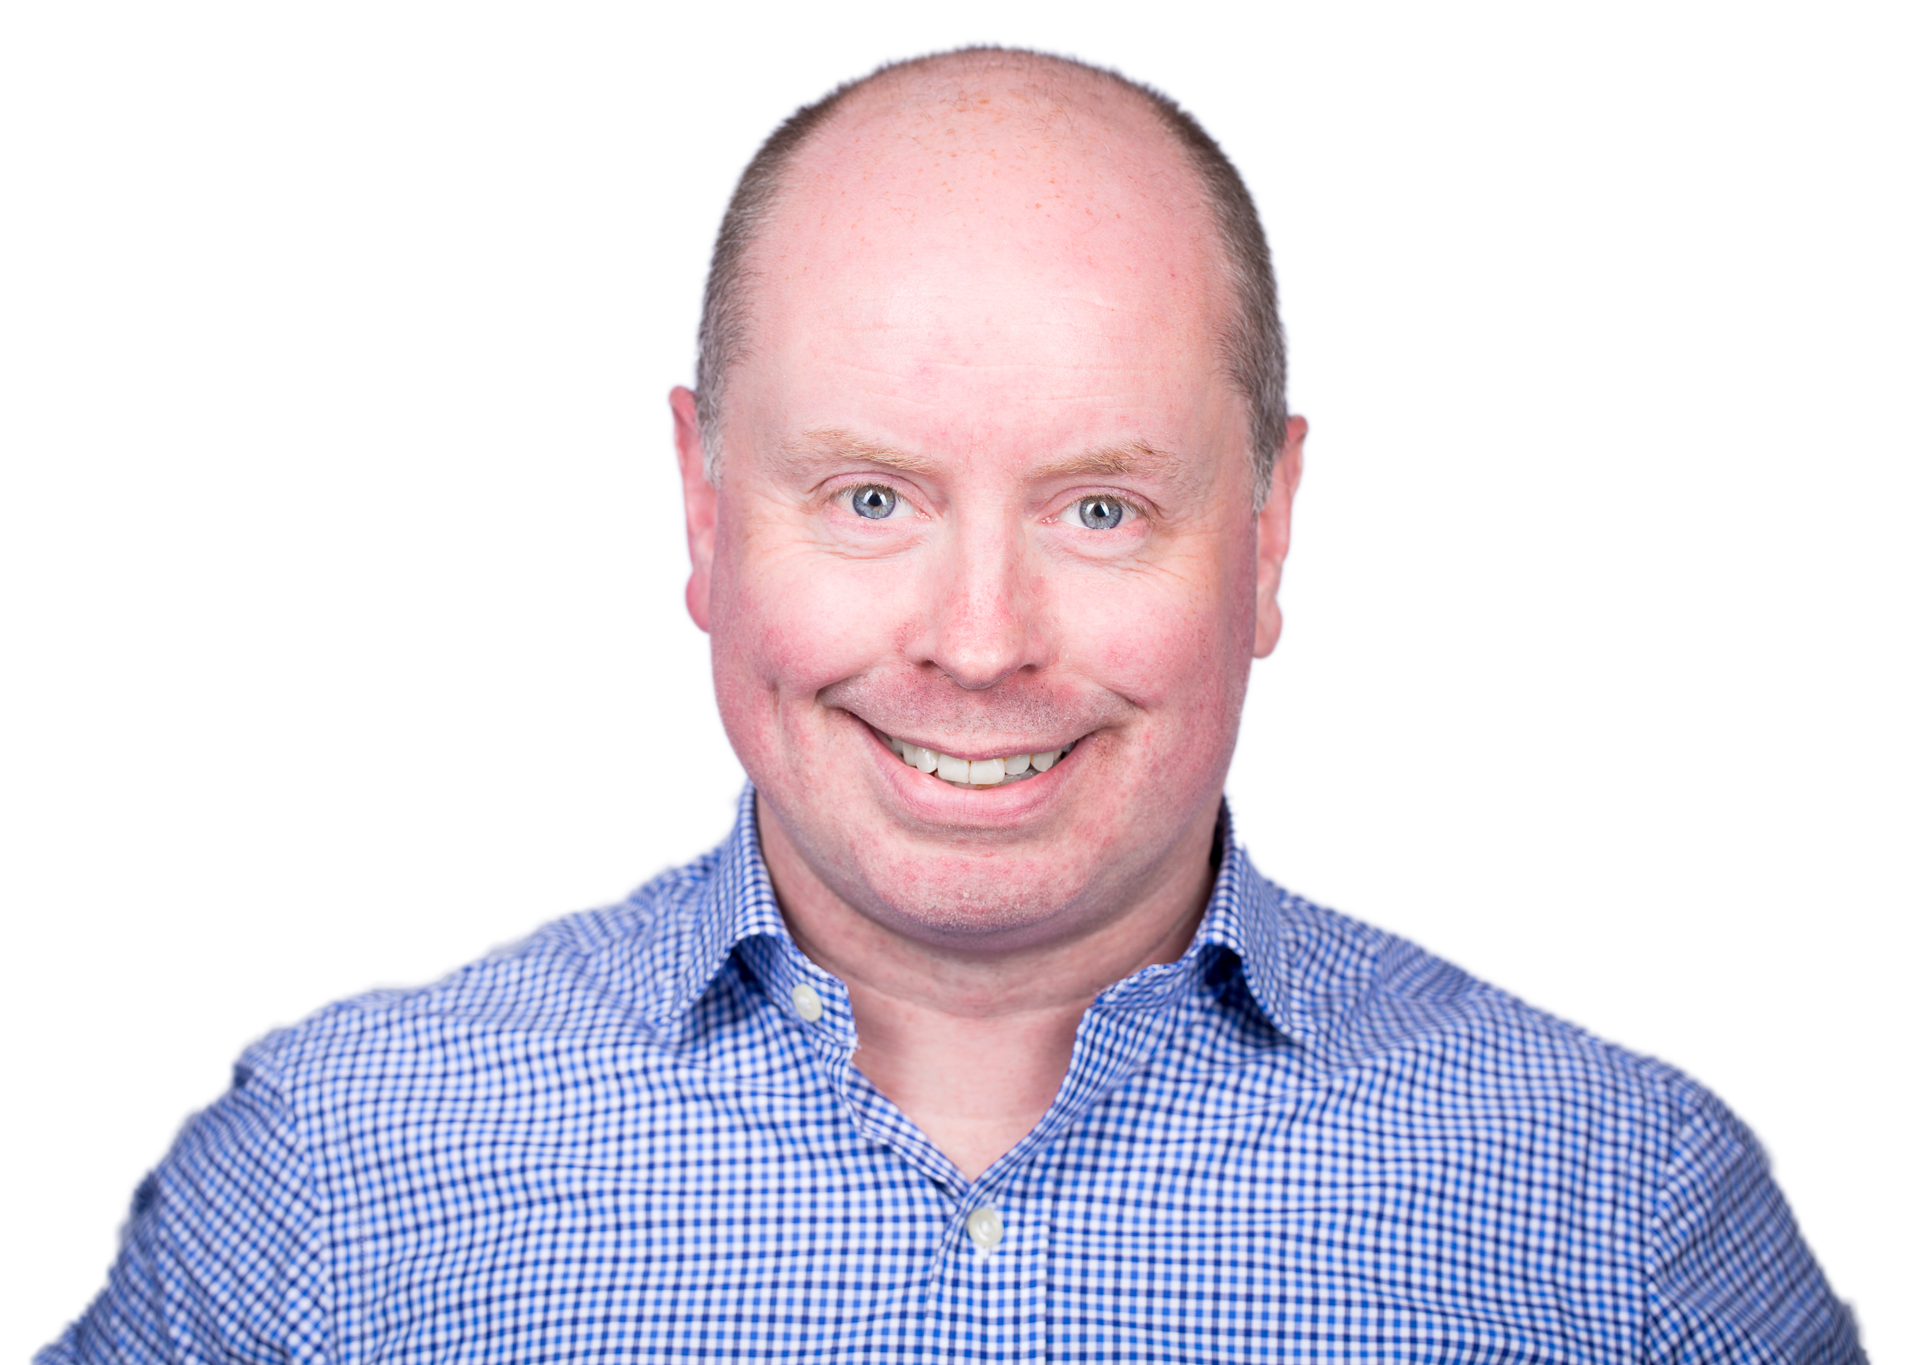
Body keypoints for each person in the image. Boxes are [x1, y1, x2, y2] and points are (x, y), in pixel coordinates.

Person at [38, 44, 1856, 1363]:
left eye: (1099, 507)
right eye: (871, 499)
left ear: (1269, 529)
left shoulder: (1624, 1212)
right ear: (701, 509)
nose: (978, 642)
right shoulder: (332, 1191)